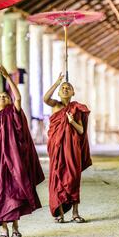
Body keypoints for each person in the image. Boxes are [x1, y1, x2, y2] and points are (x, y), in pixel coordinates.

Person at [0, 65, 45, 237]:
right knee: (0, 191)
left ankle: (15, 226)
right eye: (0, 97)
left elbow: (18, 97)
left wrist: (8, 77)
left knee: (16, 190)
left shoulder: (13, 112)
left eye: (5, 96)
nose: (2, 97)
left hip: (15, 158)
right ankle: (4, 229)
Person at [43, 72, 92, 224]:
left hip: (72, 148)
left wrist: (72, 122)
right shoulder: (56, 105)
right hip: (57, 148)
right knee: (57, 177)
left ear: (73, 92)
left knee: (73, 178)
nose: (65, 89)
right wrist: (57, 81)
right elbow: (45, 99)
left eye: (68, 87)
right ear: (59, 92)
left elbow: (81, 130)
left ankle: (75, 213)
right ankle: (59, 213)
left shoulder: (77, 108)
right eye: (63, 87)